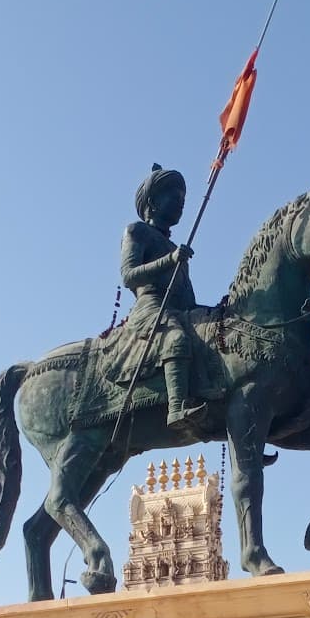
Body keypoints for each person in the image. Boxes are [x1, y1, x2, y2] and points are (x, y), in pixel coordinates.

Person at [121, 165, 205, 429]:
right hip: (151, 307)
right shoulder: (137, 231)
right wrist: (169, 260)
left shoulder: (174, 247)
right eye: (174, 195)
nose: (181, 202)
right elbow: (129, 276)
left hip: (179, 310)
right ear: (152, 202)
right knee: (176, 338)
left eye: (183, 198)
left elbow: (185, 294)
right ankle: (176, 408)